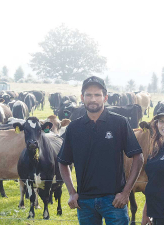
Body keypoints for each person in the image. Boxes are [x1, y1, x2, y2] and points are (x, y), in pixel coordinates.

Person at [58, 76, 144, 225]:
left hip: (114, 200)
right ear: (82, 98)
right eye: (88, 95)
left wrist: (125, 192)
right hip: (84, 202)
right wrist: (72, 192)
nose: (93, 99)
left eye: (97, 95)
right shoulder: (74, 127)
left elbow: (138, 156)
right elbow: (63, 162)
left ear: (105, 98)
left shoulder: (119, 123)